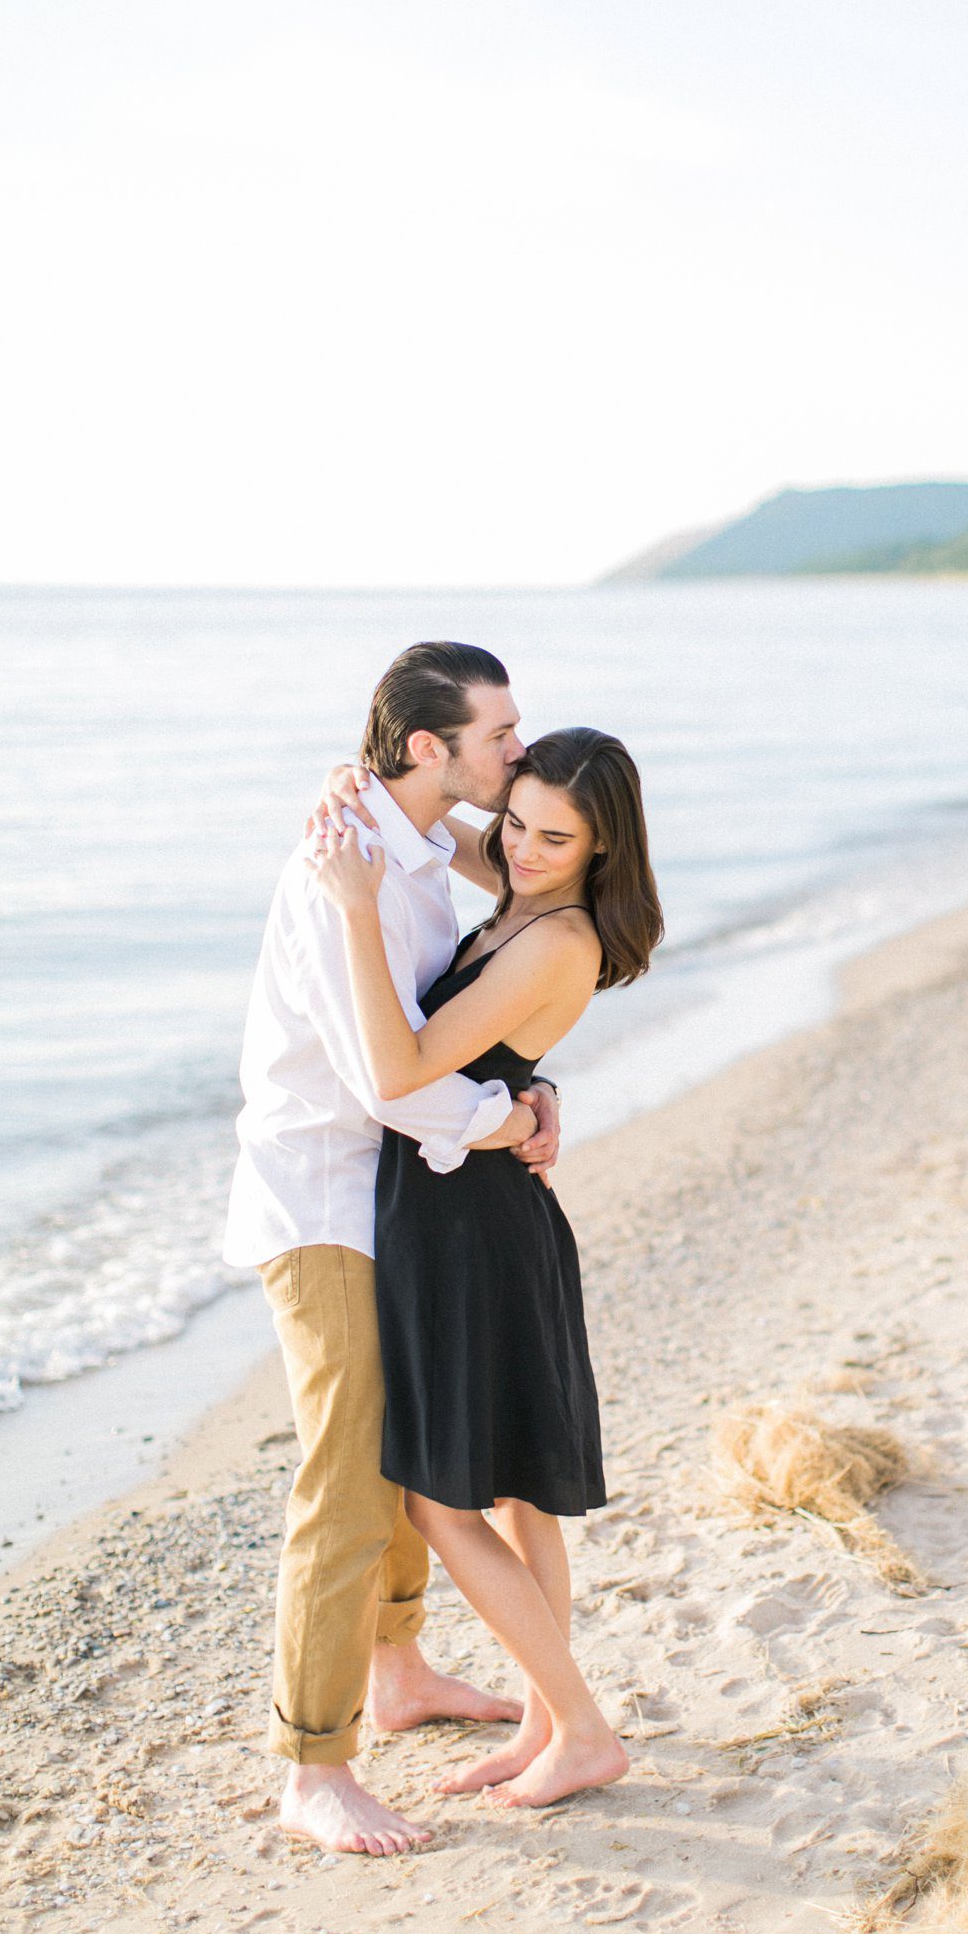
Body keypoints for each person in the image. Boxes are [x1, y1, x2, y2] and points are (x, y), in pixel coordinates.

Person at [223, 642, 561, 1856]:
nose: (517, 749)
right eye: (500, 733)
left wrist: (530, 1085)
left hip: (394, 1192)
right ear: (431, 746)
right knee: (347, 1471)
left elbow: (459, 993)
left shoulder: (415, 844)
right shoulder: (344, 867)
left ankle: (400, 1666)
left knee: (408, 1439)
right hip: (321, 1196)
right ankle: (313, 1766)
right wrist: (507, 1120)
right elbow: (390, 1077)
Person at [307, 726, 663, 1808]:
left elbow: (405, 1061)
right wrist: (356, 789)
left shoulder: (558, 939)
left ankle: (585, 1727)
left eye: (557, 836)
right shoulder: (518, 883)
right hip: (473, 1205)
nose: (523, 846)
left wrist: (357, 907)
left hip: (472, 1226)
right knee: (517, 1498)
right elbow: (444, 822)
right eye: (518, 820)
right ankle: (550, 1724)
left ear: (602, 850)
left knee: (440, 1504)